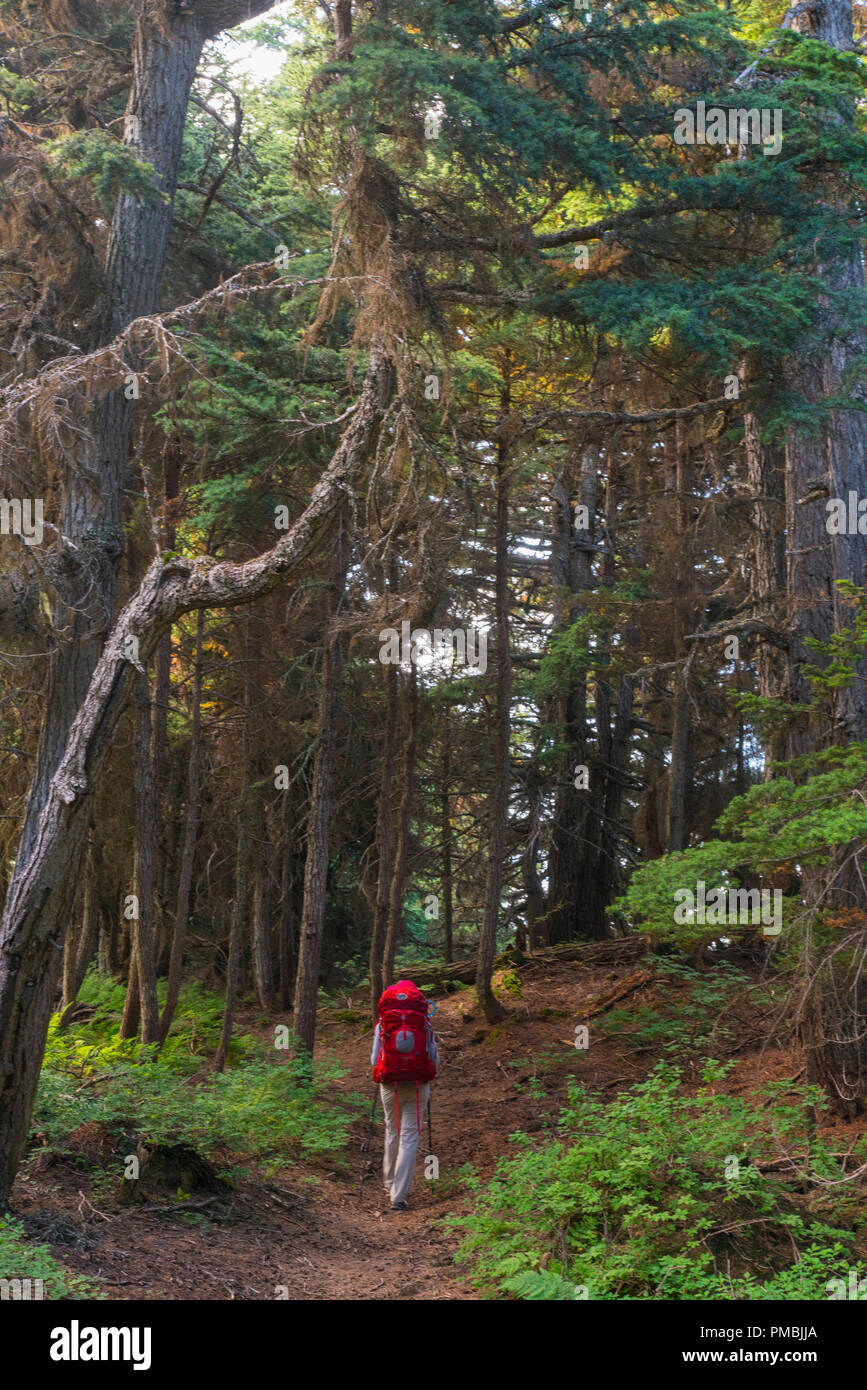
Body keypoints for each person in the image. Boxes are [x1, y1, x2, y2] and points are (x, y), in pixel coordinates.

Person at [371, 980, 439, 1211]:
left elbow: (373, 1060)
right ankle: (398, 1196)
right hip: (419, 1084)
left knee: (392, 1130)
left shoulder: (383, 1024)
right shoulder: (424, 1024)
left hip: (390, 1085)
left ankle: (388, 1182)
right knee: (410, 1137)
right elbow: (434, 1058)